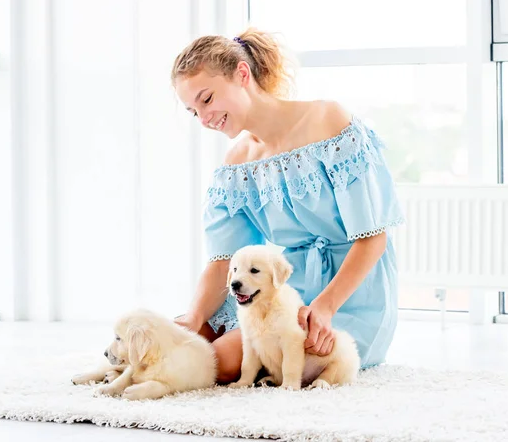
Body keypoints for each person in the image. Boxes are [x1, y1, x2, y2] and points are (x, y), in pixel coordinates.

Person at [171, 27, 404, 384]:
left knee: (225, 362)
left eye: (207, 99)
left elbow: (373, 238)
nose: (204, 119)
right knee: (196, 338)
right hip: (281, 291)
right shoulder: (237, 164)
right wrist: (192, 318)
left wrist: (324, 308)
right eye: (193, 111)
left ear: (242, 75)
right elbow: (222, 262)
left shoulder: (329, 121)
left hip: (350, 294)